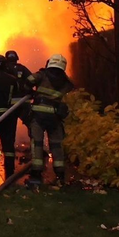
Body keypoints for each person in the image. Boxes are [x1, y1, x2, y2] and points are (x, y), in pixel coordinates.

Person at [25, 54, 75, 187]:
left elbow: (29, 79)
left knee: (37, 143)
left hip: (39, 116)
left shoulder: (43, 75)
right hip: (55, 117)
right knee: (56, 145)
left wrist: (31, 91)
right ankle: (60, 174)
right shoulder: (66, 82)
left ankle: (36, 173)